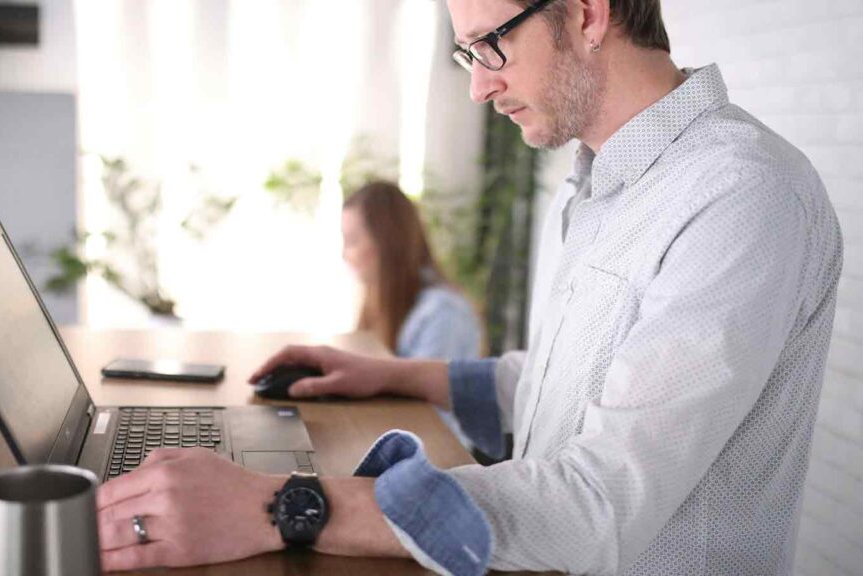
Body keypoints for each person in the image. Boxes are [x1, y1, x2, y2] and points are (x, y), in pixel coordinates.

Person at [95, 0, 843, 574]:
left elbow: (600, 495)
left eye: (493, 45)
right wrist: (392, 373)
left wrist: (281, 506)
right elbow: (565, 388)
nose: (481, 86)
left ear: (586, 13)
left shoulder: (741, 195)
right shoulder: (592, 186)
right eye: (467, 54)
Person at [341, 181, 481, 363]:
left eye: (352, 241)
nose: (344, 254)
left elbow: (425, 389)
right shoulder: (384, 306)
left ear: (385, 243)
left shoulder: (442, 313)